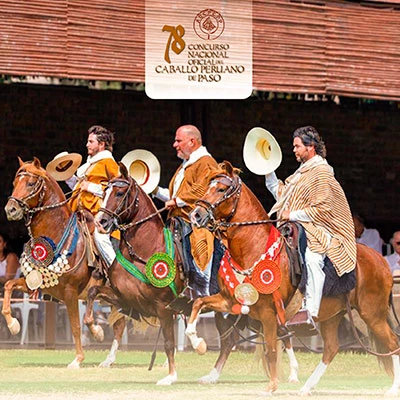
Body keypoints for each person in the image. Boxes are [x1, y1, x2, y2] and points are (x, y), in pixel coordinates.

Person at [265, 126, 357, 319]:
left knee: (312, 258)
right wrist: (267, 169)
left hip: (324, 228)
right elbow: (283, 196)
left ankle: (310, 311)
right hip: (300, 225)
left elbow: (323, 208)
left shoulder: (321, 171)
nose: (294, 150)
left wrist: (292, 214)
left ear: (311, 146)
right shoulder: (301, 173)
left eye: (297, 146)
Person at [153, 124, 219, 296]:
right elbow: (175, 196)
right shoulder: (186, 165)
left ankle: (201, 292)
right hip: (176, 221)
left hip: (193, 223)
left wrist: (176, 201)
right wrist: (154, 190)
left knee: (198, 255)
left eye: (178, 141)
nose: (174, 145)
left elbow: (201, 190)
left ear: (192, 141)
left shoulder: (206, 162)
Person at [66, 125, 119, 267]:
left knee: (100, 238)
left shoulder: (108, 162)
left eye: (91, 141)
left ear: (101, 145)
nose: (87, 144)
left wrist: (91, 187)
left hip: (97, 213)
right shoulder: (90, 164)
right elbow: (80, 189)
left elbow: (117, 189)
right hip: (77, 212)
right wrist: (69, 177)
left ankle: (115, 269)